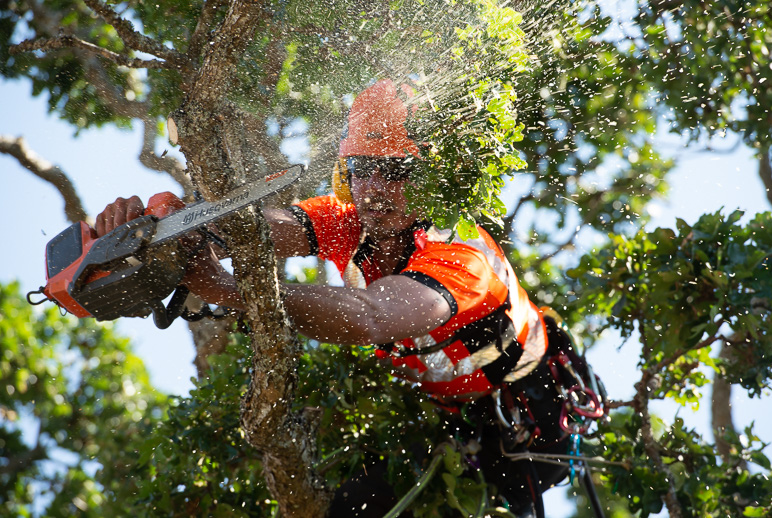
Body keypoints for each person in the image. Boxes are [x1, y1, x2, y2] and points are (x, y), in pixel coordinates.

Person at [96, 79, 603, 517]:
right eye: (362, 167)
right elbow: (261, 230)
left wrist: (227, 290)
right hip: (432, 419)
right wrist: (178, 229)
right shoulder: (348, 220)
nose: (374, 188)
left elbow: (369, 317)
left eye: (397, 172)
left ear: (434, 178)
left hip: (518, 432)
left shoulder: (460, 254)